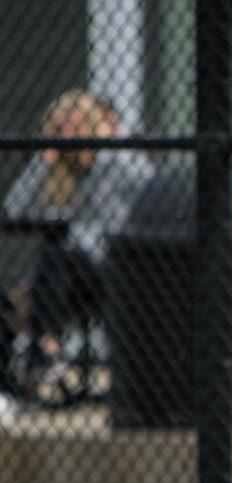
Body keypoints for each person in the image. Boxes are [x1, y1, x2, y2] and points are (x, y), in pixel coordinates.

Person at [2, 89, 154, 405]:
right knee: (53, 254)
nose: (68, 135)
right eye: (60, 128)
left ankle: (45, 352)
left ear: (92, 126)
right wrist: (43, 163)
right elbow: (13, 209)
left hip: (113, 267)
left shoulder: (113, 161)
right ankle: (50, 351)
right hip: (70, 276)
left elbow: (152, 187)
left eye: (75, 126)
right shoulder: (58, 171)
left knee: (55, 255)